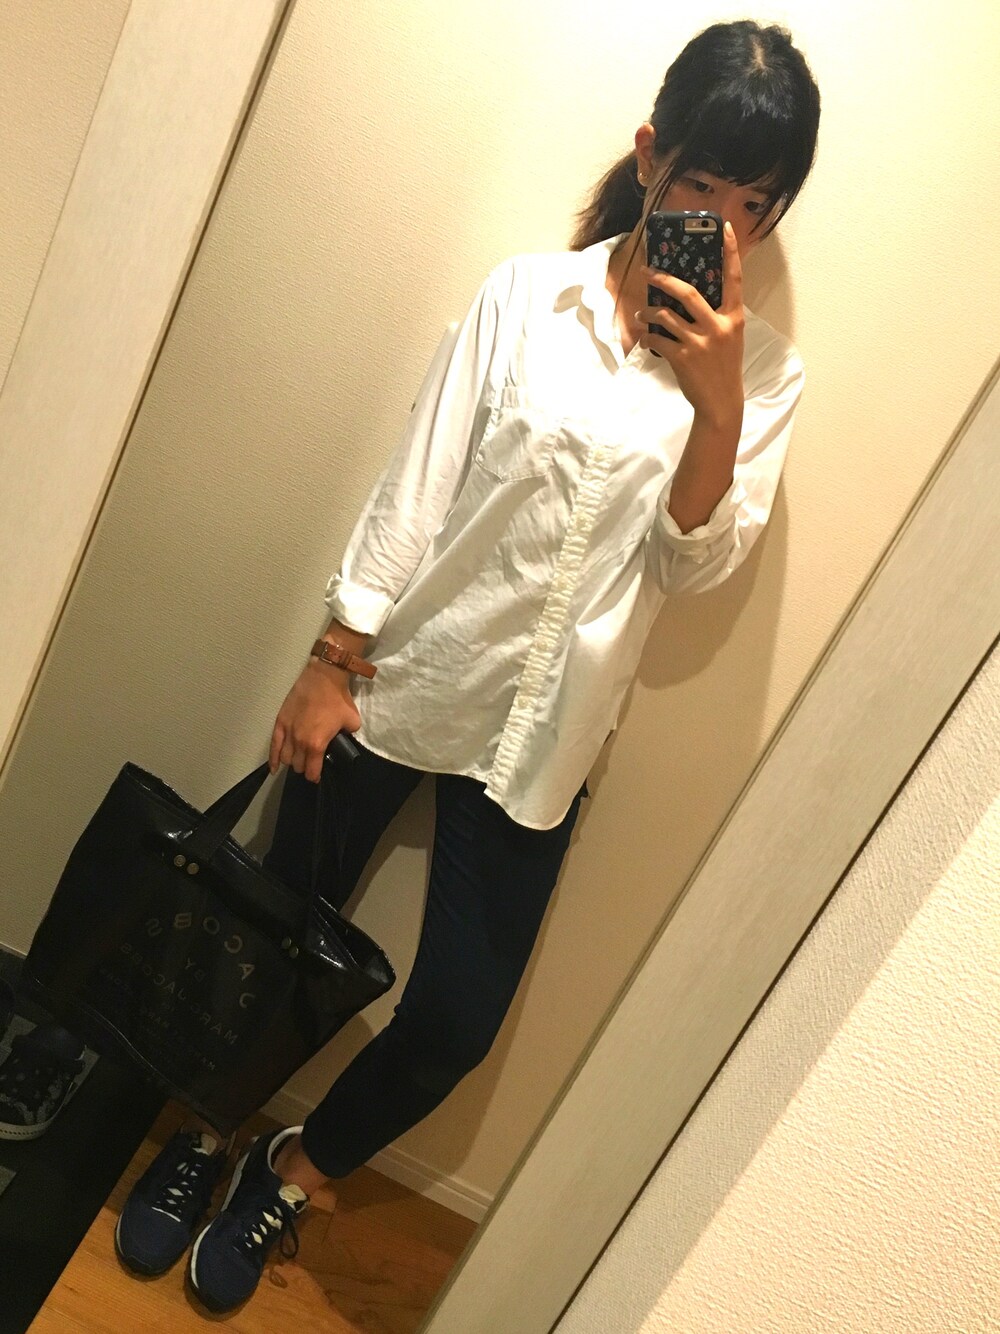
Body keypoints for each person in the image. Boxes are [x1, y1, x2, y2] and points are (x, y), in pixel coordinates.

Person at [113, 18, 821, 1314]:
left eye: (756, 204)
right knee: (271, 934)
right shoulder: (524, 299)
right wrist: (334, 656)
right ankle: (202, 1130)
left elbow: (692, 568)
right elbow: (420, 482)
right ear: (651, 155)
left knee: (454, 1020)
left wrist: (718, 403)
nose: (723, 224)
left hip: (547, 735)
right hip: (406, 680)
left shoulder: (765, 378)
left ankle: (293, 1167)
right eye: (706, 183)